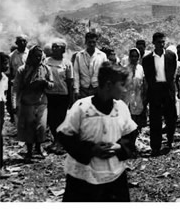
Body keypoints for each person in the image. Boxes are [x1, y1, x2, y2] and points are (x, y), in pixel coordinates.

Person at [57, 62, 137, 202]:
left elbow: (130, 134)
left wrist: (120, 147)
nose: (125, 90)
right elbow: (65, 136)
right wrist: (91, 149)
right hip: (83, 177)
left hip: (114, 175)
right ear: (108, 85)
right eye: (122, 85)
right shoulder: (82, 108)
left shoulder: (121, 108)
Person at [13, 45, 54, 163]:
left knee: (41, 126)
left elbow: (52, 85)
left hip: (41, 101)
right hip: (27, 102)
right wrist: (15, 104)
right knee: (29, 127)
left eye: (39, 56)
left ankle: (39, 148)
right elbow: (16, 88)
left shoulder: (46, 68)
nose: (37, 58)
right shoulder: (22, 70)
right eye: (35, 56)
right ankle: (29, 151)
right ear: (31, 56)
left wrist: (45, 83)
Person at [142, 32, 178, 156]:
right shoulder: (147, 59)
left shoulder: (171, 56)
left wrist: (173, 92)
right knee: (155, 119)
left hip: (167, 89)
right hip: (155, 89)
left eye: (163, 42)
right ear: (153, 43)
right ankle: (155, 146)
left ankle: (169, 140)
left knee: (171, 117)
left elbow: (172, 74)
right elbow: (148, 77)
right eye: (159, 42)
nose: (161, 44)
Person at [45, 39, 74, 155]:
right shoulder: (46, 61)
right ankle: (55, 140)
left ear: (63, 50)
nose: (55, 49)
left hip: (63, 94)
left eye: (58, 47)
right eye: (54, 47)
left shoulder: (67, 63)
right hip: (50, 94)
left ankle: (61, 142)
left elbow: (69, 81)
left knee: (61, 118)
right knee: (51, 119)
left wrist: (71, 98)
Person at [73, 32, 108, 99]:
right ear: (86, 42)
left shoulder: (102, 56)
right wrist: (76, 90)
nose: (92, 44)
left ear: (96, 42)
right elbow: (76, 73)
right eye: (89, 42)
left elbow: (106, 73)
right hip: (83, 89)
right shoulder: (79, 55)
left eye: (94, 42)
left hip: (97, 88)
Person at [124, 48, 147, 131]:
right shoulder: (125, 69)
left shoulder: (141, 69)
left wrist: (144, 96)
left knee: (137, 116)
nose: (134, 58)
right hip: (127, 96)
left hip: (138, 96)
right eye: (132, 56)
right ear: (129, 57)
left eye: (136, 56)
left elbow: (144, 83)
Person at [8, 35, 29, 123]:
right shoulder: (11, 56)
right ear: (16, 43)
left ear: (27, 42)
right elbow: (9, 71)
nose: (22, 43)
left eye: (24, 41)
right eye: (20, 41)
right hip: (16, 84)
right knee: (16, 105)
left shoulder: (31, 54)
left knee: (28, 105)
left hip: (28, 84)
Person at [0, 52, 10, 167]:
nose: (7, 66)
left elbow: (4, 96)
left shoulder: (4, 78)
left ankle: (0, 165)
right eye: (4, 63)